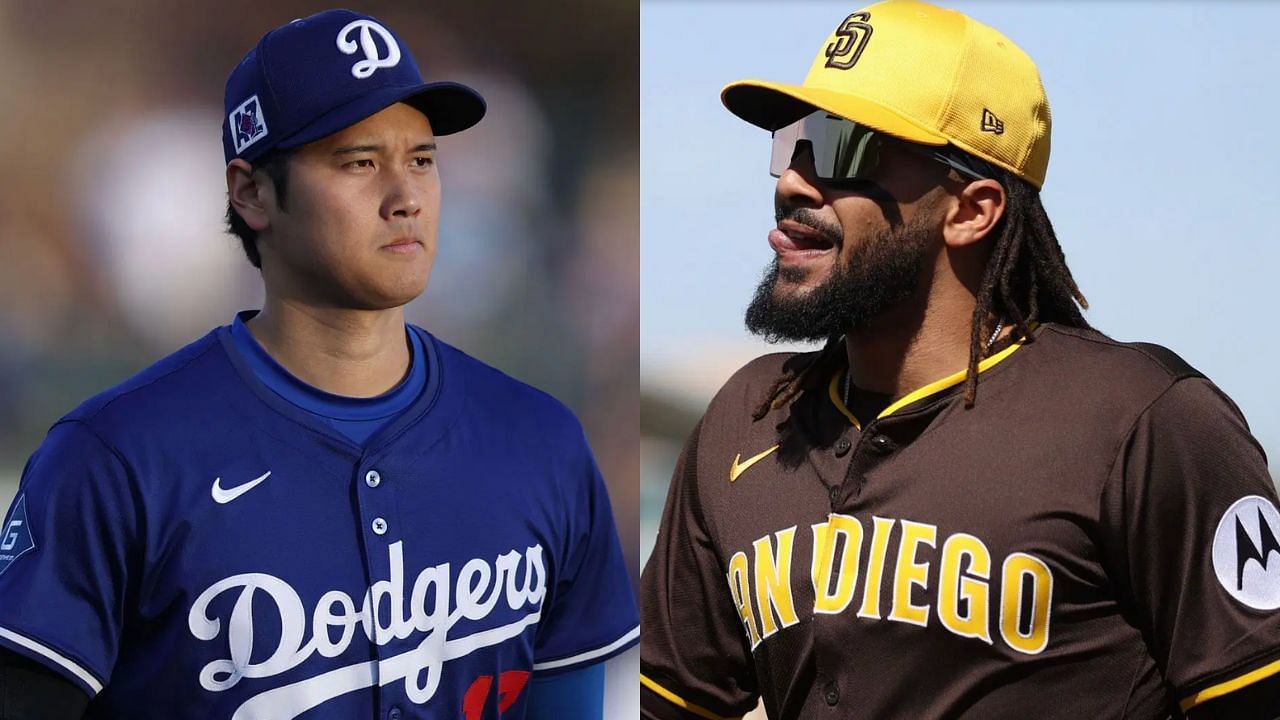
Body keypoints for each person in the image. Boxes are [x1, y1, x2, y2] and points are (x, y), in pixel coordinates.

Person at [639, 1, 1280, 718]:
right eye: (791, 142)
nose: (793, 181)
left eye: (841, 146)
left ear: (972, 209)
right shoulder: (749, 420)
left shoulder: (1144, 419)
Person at [0, 9, 637, 719]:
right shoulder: (114, 458)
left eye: (422, 160)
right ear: (251, 192)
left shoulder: (541, 441)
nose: (405, 199)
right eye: (360, 161)